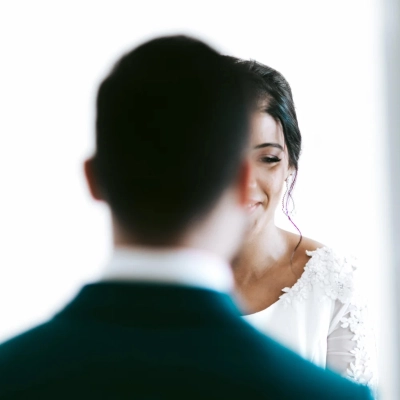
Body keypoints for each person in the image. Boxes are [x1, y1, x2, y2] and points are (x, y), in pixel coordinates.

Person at [0, 35, 372, 399]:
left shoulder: (13, 374)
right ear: (238, 178)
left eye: (270, 157)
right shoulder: (327, 394)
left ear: (93, 179)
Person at [225, 57, 377, 391]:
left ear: (290, 165)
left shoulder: (333, 283)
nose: (246, 182)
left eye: (268, 159)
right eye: (226, 157)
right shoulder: (164, 279)